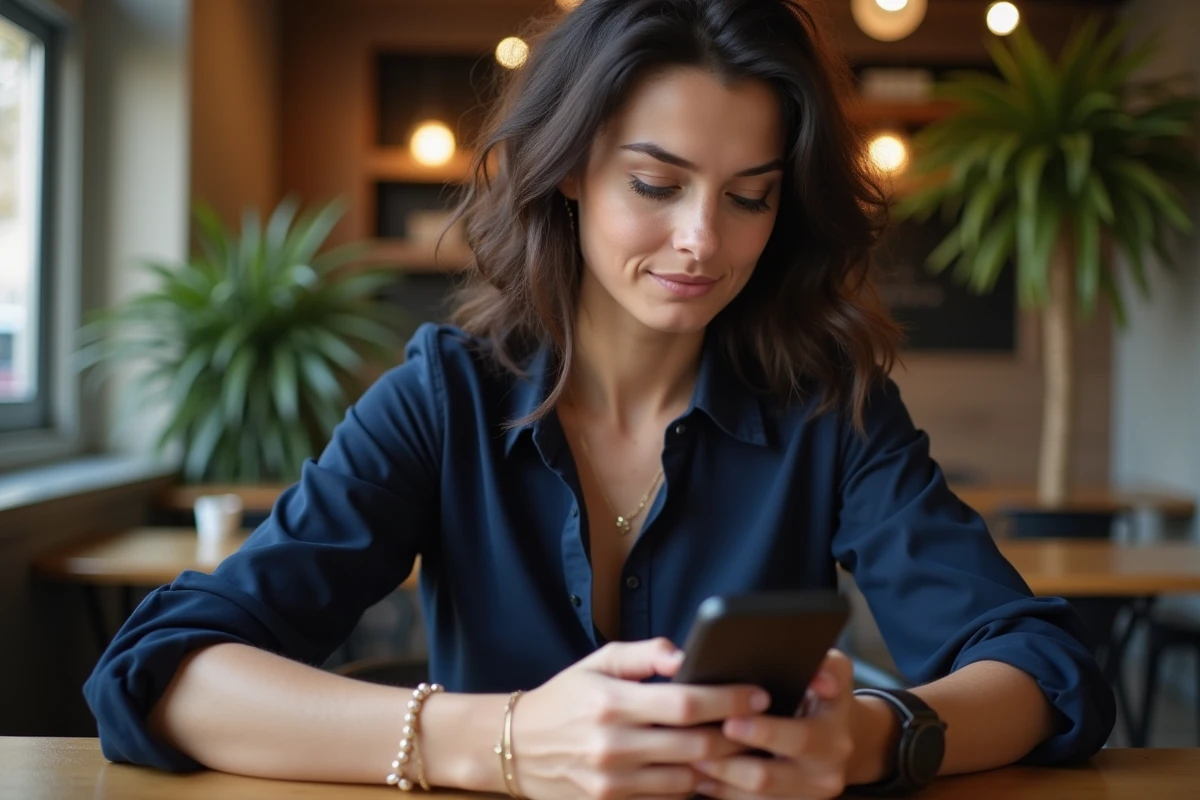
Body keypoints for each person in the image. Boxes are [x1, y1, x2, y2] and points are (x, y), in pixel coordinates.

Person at [84, 1, 1116, 797]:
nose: (702, 240)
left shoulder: (828, 412)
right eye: (656, 184)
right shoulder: (444, 399)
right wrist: (499, 740)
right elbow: (162, 671)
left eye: (749, 196)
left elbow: (1044, 667)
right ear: (571, 170)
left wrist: (871, 737)